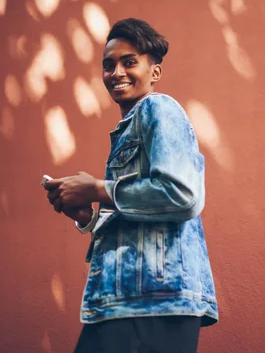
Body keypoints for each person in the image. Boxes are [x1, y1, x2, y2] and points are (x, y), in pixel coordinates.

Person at [43, 18, 218, 352]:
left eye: (129, 62)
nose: (116, 72)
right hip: (129, 300)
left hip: (157, 300)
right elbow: (137, 225)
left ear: (154, 73)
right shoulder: (129, 128)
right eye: (109, 65)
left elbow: (183, 195)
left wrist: (97, 188)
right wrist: (86, 217)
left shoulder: (158, 108)